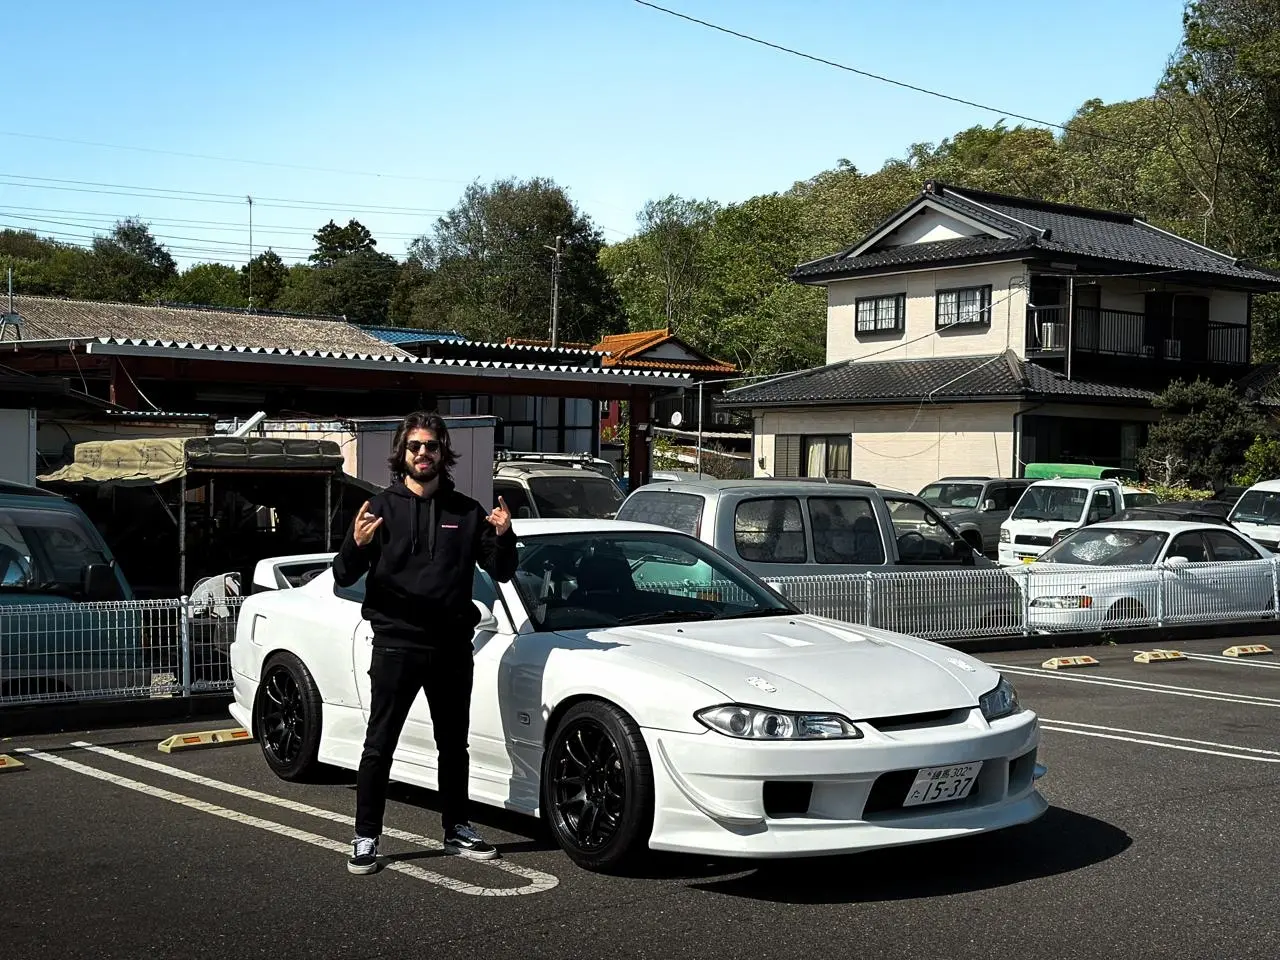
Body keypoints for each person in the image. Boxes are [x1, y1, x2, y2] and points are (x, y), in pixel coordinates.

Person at [332, 411, 518, 875]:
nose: (423, 454)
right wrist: (355, 544)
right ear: (402, 453)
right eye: (415, 446)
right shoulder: (380, 509)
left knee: (453, 745)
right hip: (395, 644)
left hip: (453, 647)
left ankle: (457, 829)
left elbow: (502, 571)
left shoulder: (467, 512)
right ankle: (366, 836)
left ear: (443, 453)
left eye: (431, 446)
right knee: (380, 745)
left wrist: (505, 535)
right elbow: (342, 575)